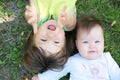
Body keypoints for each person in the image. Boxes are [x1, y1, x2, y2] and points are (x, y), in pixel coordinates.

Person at [32, 14, 120, 80]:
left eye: (97, 42)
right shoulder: (72, 61)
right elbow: (57, 71)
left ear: (103, 43)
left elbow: (117, 75)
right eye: (85, 42)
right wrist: (42, 78)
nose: (92, 46)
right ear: (77, 44)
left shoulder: (107, 58)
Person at [23, 0, 77, 72]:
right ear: (65, 41)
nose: (51, 35)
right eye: (56, 42)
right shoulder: (67, 26)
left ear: (34, 36)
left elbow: (33, 8)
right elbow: (71, 23)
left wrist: (31, 14)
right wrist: (67, 19)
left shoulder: (37, 19)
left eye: (43, 40)